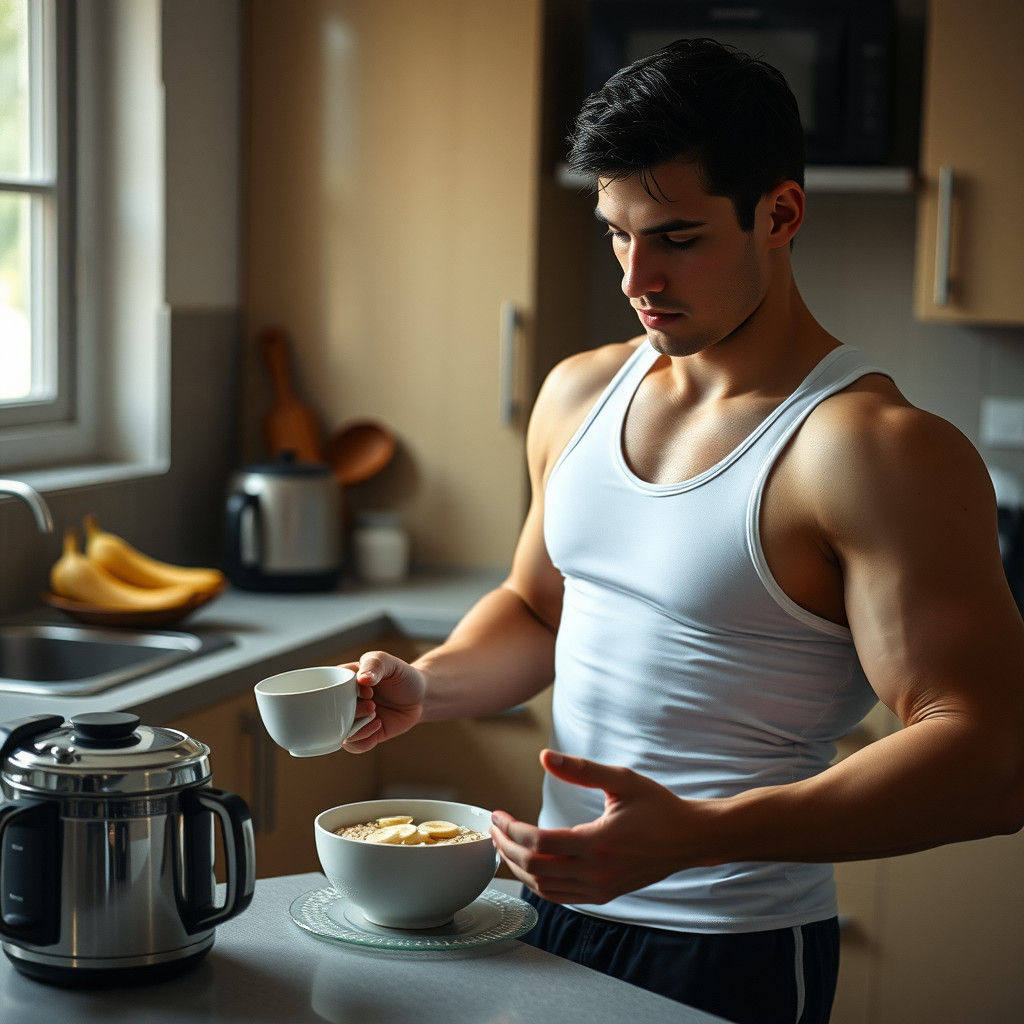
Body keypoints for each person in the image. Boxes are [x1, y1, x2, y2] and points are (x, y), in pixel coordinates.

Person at [340, 38, 1024, 1024]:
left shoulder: (873, 453)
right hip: (549, 912)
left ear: (779, 214)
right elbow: (538, 608)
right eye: (615, 233)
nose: (634, 275)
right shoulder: (578, 391)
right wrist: (429, 683)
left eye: (675, 236)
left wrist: (694, 836)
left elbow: (991, 759)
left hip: (731, 942)